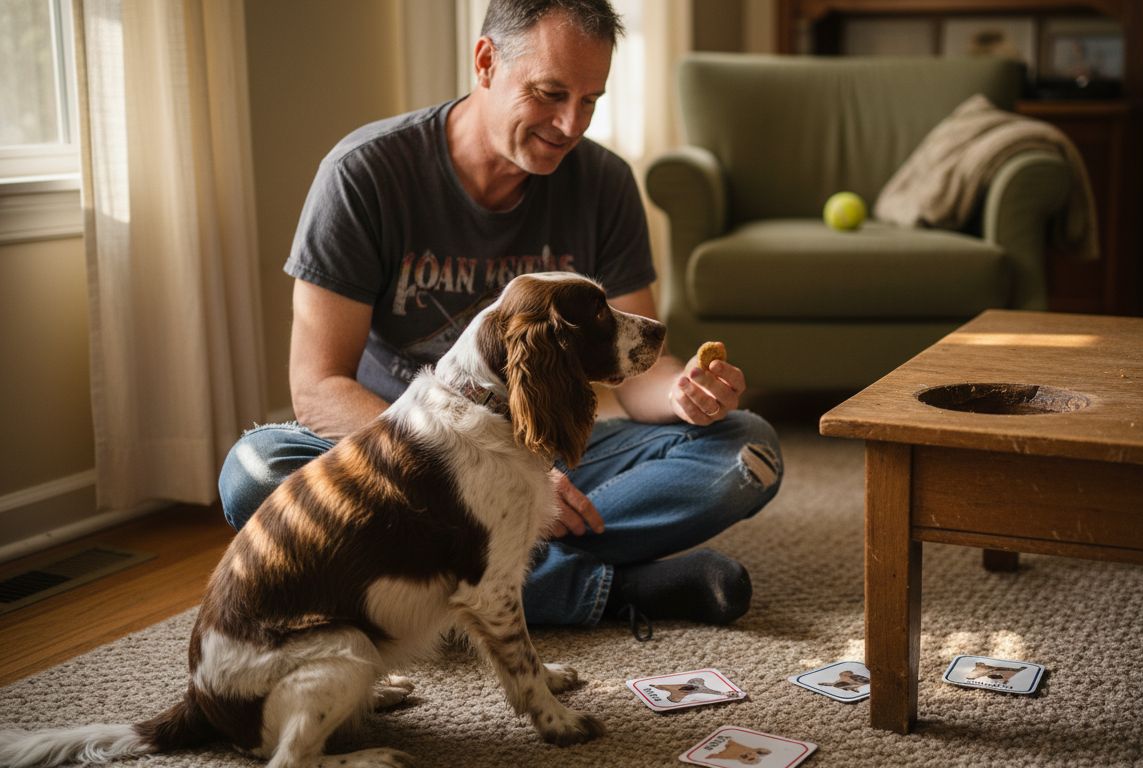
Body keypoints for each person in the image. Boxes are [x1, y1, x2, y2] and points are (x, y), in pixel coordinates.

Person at [217, 0, 782, 635]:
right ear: (486, 62)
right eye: (550, 94)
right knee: (256, 470)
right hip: (405, 457)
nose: (571, 125)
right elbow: (319, 387)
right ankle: (610, 589)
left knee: (746, 450)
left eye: (590, 101)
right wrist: (480, 473)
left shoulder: (605, 183)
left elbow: (637, 369)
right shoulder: (364, 174)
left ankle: (451, 591)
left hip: (549, 448)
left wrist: (684, 394)